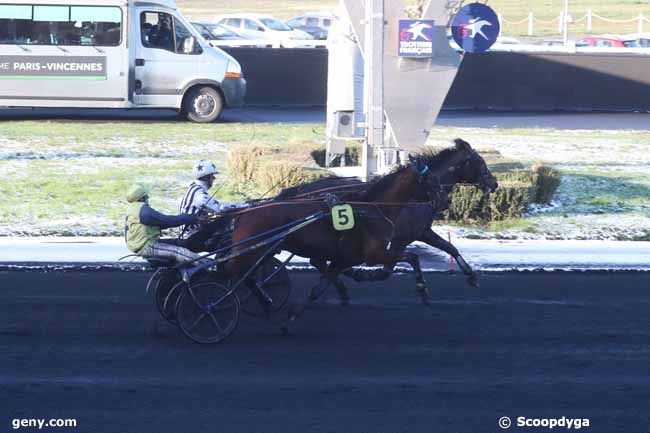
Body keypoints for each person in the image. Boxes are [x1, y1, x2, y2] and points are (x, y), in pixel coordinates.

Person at [124, 183, 206, 266]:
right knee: (181, 252)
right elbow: (167, 221)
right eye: (146, 196)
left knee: (183, 243)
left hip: (143, 245)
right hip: (147, 246)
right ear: (142, 197)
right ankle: (208, 266)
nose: (148, 198)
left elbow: (161, 223)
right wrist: (190, 218)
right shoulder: (143, 210)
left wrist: (186, 219)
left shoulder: (133, 209)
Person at [179, 160, 245, 252]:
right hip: (191, 236)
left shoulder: (193, 188)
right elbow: (219, 208)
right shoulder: (199, 194)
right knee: (226, 220)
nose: (214, 178)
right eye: (212, 176)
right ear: (206, 178)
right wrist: (244, 205)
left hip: (192, 233)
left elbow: (215, 204)